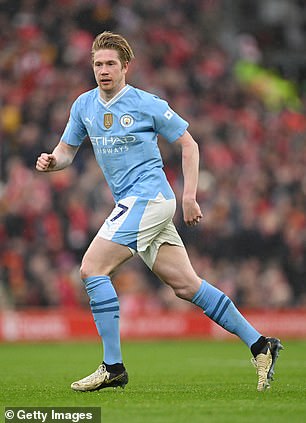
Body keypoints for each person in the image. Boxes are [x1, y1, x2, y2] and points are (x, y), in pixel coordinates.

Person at [36, 31, 283, 392]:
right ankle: (262, 345)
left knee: (92, 268)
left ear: (125, 67)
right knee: (187, 286)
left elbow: (189, 144)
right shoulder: (83, 106)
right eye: (98, 64)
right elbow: (66, 153)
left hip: (149, 198)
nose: (103, 70)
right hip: (133, 203)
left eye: (110, 64)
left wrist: (190, 196)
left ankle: (113, 366)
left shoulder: (146, 103)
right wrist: (51, 161)